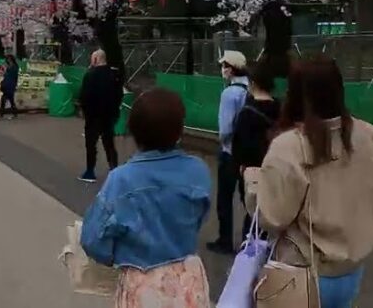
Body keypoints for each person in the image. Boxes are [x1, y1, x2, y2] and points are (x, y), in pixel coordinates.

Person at [246, 56, 373, 308]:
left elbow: (272, 217)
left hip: (300, 272)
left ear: (295, 93)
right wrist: (365, 224)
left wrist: (254, 181)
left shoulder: (289, 146)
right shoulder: (370, 135)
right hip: (351, 269)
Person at [80, 89, 212, 307]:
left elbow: (92, 239)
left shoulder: (121, 180)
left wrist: (114, 256)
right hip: (188, 277)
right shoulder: (198, 171)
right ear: (179, 130)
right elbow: (200, 216)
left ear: (134, 131)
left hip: (142, 281)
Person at [207, 50, 251, 255]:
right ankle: (249, 239)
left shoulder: (229, 94)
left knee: (225, 198)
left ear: (231, 69)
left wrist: (223, 142)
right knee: (248, 198)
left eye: (224, 66)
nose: (222, 70)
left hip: (229, 152)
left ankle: (225, 240)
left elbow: (225, 128)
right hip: (248, 154)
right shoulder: (251, 90)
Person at [231, 60, 281, 238]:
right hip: (278, 171)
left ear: (253, 83)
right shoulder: (282, 108)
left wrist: (240, 168)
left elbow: (239, 148)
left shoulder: (247, 113)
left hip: (253, 173)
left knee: (253, 217)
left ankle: (251, 256)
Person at [77, 50, 123, 183]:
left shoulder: (91, 75)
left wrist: (84, 111)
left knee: (91, 144)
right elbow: (119, 95)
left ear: (96, 59)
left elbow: (84, 97)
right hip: (110, 115)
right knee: (109, 143)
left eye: (92, 59)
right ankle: (114, 169)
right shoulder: (115, 74)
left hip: (93, 116)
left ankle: (90, 172)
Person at [0, 54, 19, 120]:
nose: (8, 60)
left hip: (10, 84)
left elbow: (14, 76)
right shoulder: (11, 66)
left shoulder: (14, 67)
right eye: (7, 59)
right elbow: (6, 73)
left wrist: (15, 85)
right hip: (7, 84)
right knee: (8, 99)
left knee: (7, 99)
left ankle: (4, 113)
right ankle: (12, 113)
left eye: (9, 59)